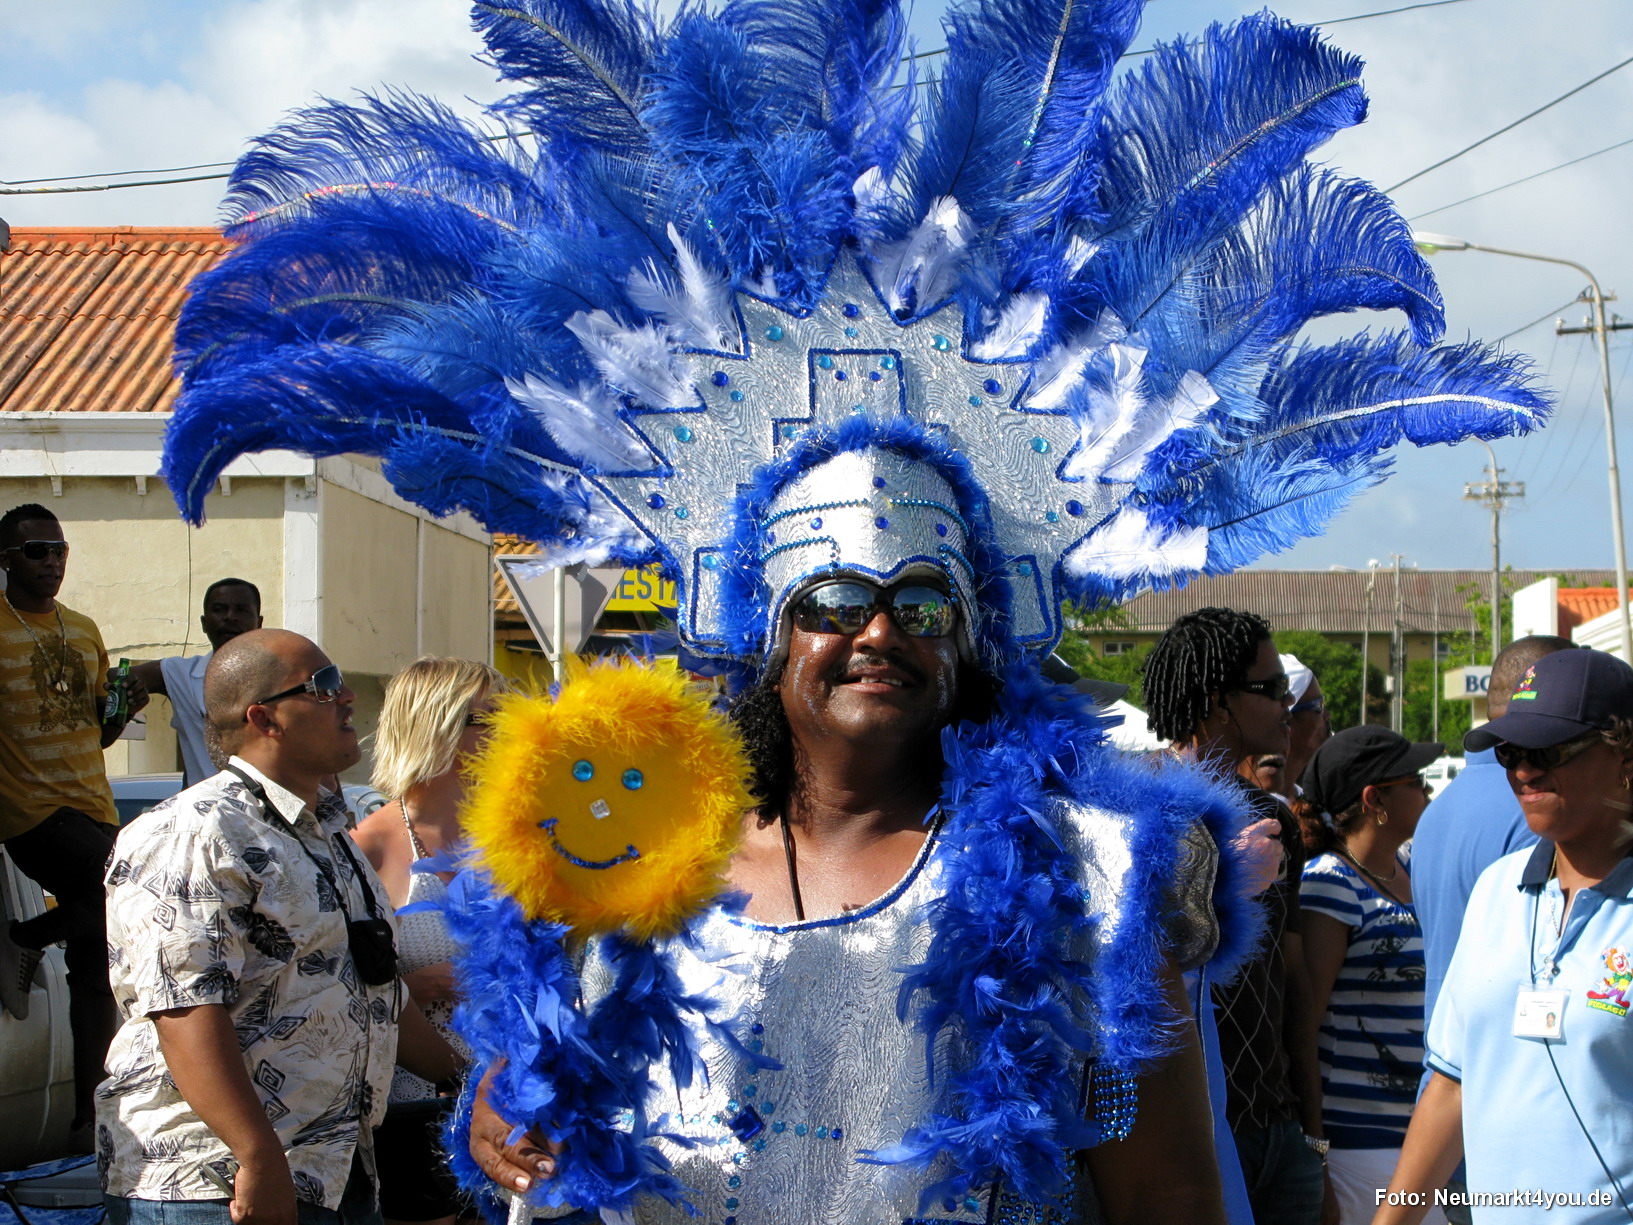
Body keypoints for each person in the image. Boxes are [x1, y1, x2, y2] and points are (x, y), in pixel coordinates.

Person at [98, 629, 464, 1225]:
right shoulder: (196, 833)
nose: (346, 695)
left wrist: (477, 1083)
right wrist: (258, 1157)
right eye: (323, 686)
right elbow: (185, 1013)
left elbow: (378, 996)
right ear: (264, 718)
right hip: (217, 1186)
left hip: (332, 1171)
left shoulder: (329, 835)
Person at [1376, 648, 1633, 1223]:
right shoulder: (1497, 889)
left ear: (1626, 757)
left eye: (1545, 751)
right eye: (1511, 752)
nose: (1522, 771)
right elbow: (1450, 1083)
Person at [1144, 608, 1327, 1225]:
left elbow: (1292, 986)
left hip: (1278, 1130)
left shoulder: (1272, 820)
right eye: (1271, 689)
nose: (1287, 706)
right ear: (1220, 701)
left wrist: (1312, 1135)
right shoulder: (1139, 810)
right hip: (1182, 1128)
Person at [0, 502, 146, 1142]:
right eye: (37, 551)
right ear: (6, 559)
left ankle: (89, 1121)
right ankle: (27, 935)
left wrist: (126, 706)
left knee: (94, 973)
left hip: (91, 801)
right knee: (126, 885)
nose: (52, 562)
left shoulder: (84, 629)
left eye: (59, 550)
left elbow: (100, 729)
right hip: (28, 809)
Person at [352, 658, 506, 1225]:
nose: (498, 733)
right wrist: (414, 985)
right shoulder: (368, 846)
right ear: (433, 725)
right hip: (414, 1104)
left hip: (514, 1094)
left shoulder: (513, 839)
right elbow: (335, 987)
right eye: (480, 719)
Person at [1295, 726, 1445, 1224]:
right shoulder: (1329, 883)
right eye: (1415, 780)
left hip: (1421, 1136)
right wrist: (1316, 1157)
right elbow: (1304, 1028)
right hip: (1355, 1148)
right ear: (1374, 798)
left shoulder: (1412, 868)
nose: (1426, 791)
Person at [1411, 636, 1573, 1053]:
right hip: (1511, 1069)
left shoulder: (1436, 810)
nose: (1523, 773)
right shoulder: (1545, 810)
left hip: (1448, 1065)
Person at [131, 578, 264, 786]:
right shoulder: (181, 674)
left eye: (241, 610)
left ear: (259, 623)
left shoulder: (281, 676)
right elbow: (104, 678)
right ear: (204, 623)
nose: (230, 617)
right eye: (220, 609)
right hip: (207, 814)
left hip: (266, 814)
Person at [1249, 655, 1332, 803]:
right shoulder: (1253, 814)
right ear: (1286, 721)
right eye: (1318, 706)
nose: (1327, 716)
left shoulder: (1309, 803)